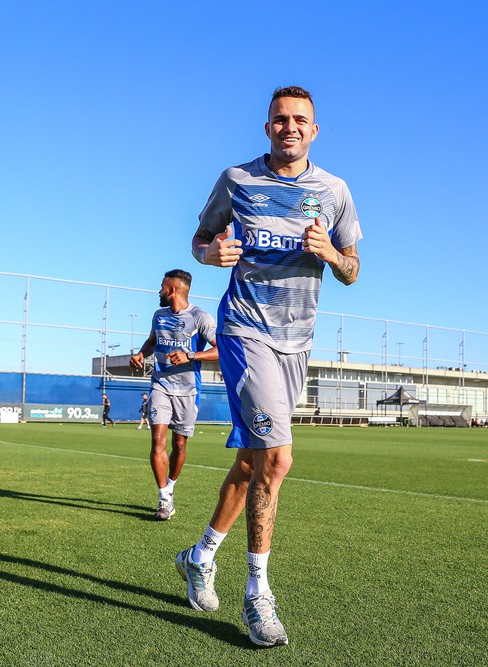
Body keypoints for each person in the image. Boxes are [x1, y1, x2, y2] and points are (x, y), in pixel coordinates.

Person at [175, 85, 362, 647]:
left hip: (297, 343)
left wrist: (330, 253)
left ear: (315, 130)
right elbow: (199, 239)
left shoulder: (334, 192)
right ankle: (258, 593)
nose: (290, 128)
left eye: (300, 121)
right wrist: (210, 255)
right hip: (244, 329)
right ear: (267, 128)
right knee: (278, 460)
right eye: (280, 120)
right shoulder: (238, 180)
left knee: (258, 464)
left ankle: (200, 555)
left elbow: (353, 269)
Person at [129, 270, 218, 521]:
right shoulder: (158, 316)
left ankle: (171, 486)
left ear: (173, 290)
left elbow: (221, 349)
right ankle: (163, 497)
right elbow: (151, 342)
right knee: (158, 440)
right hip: (160, 385)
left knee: (179, 445)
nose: (159, 291)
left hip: (189, 390)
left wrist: (190, 355)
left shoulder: (200, 317)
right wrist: (140, 354)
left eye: (162, 287)